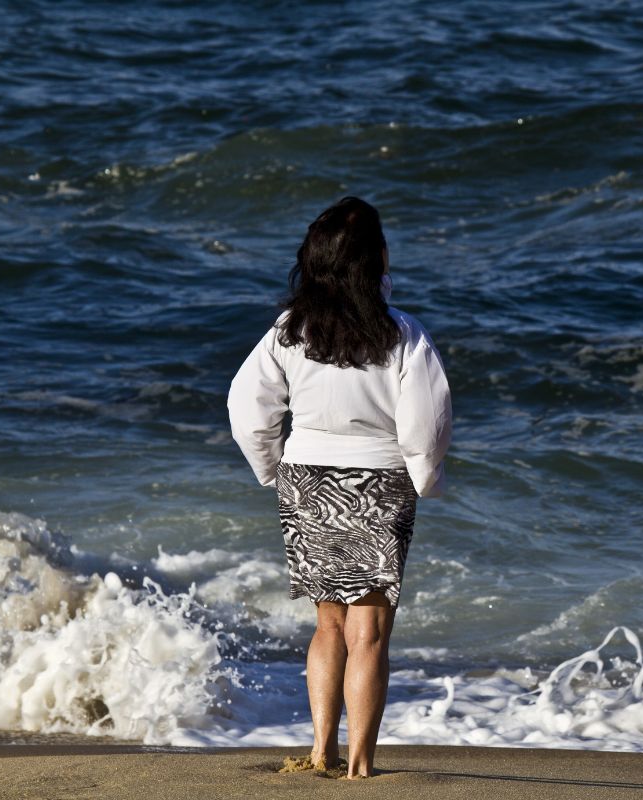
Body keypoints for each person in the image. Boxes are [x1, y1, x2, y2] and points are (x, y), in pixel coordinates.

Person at [226, 196, 452, 779]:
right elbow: (425, 423)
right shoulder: (403, 332)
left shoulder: (288, 331)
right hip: (379, 481)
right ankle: (359, 763)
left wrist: (272, 467)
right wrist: (426, 479)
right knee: (369, 630)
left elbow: (246, 407)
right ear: (376, 259)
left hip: (307, 478)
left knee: (328, 623)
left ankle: (321, 749)